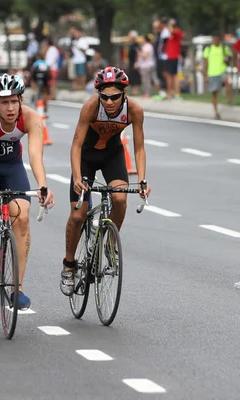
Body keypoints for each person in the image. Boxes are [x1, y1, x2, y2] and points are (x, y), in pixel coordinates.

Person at [0, 73, 55, 310]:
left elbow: (35, 155)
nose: (10, 107)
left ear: (21, 100)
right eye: (4, 102)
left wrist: (43, 185)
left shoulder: (32, 118)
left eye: (14, 101)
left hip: (12, 166)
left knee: (22, 216)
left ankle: (17, 288)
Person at [59, 66, 151, 296]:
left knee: (120, 199)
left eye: (115, 97)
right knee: (79, 214)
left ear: (124, 94)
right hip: (86, 158)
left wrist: (142, 179)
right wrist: (78, 177)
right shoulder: (91, 107)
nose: (109, 102)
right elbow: (76, 145)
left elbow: (139, 148)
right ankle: (69, 266)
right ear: (98, 95)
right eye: (105, 97)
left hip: (112, 155)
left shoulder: (134, 111)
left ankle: (110, 242)